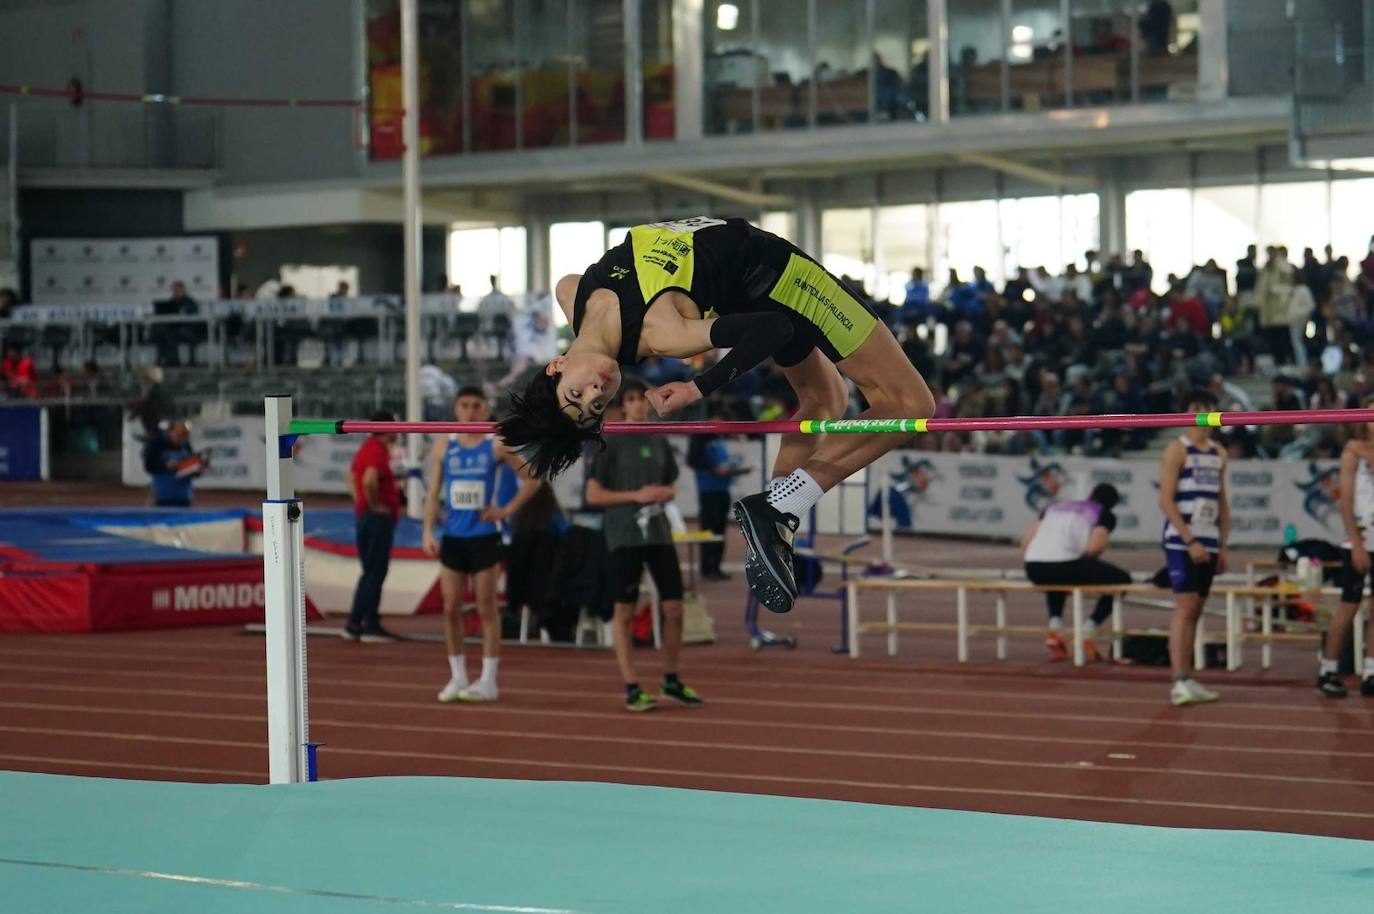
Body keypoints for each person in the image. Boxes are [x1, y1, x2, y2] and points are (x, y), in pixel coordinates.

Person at [497, 216, 936, 614]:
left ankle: (776, 523)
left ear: (555, 364)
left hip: (746, 283)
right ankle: (782, 506)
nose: (598, 390)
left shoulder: (570, 293)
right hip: (781, 277)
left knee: (824, 401)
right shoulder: (660, 333)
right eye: (596, 406)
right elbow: (772, 329)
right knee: (911, 404)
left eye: (578, 391)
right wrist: (696, 386)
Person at [584, 378, 702, 711]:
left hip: (658, 533)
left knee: (674, 606)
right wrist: (635, 496)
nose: (637, 405)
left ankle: (671, 678)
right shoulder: (608, 442)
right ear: (622, 405)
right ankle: (632, 685)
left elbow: (671, 486)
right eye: (631, 399)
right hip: (624, 535)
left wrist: (664, 493)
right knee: (625, 610)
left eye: (641, 399)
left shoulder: (659, 441)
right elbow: (593, 495)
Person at [423, 387, 538, 703]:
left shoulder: (497, 444)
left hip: (485, 537)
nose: (470, 412)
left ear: (486, 410)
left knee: (487, 609)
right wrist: (427, 532)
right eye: (464, 406)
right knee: (450, 609)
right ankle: (458, 676)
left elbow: (534, 478)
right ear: (456, 408)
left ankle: (488, 680)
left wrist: (505, 511)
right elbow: (433, 492)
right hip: (453, 537)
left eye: (476, 406)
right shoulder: (443, 445)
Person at [1160, 390, 1230, 706]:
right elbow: (1165, 500)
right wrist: (1189, 540)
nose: (1201, 415)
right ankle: (1178, 680)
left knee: (1197, 610)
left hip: (1209, 539)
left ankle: (1188, 677)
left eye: (1206, 409)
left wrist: (1222, 545)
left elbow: (1222, 502)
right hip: (1181, 540)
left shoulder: (1219, 453)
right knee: (1186, 606)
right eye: (1195, 408)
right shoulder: (1178, 449)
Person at [1021, 484, 1131, 662]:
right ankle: (1088, 630)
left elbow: (1026, 541)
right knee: (1122, 580)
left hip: (1033, 566)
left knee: (1056, 576)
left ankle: (1055, 628)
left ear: (1089, 494)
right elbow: (1095, 547)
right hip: (1065, 565)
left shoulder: (1055, 506)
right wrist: (1085, 564)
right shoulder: (1103, 514)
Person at [1317, 396, 1374, 698]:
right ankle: (1328, 668)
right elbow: (1347, 500)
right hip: (1360, 539)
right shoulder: (1354, 451)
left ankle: (1371, 670)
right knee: (1349, 606)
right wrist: (1356, 543)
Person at [345, 411, 403, 643]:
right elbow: (368, 480)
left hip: (367, 516)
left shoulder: (368, 448)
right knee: (375, 572)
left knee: (371, 571)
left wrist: (359, 500)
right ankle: (365, 622)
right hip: (375, 519)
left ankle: (358, 621)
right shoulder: (376, 451)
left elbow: (350, 476)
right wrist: (374, 504)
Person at [688, 401, 752, 580]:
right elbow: (693, 460)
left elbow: (722, 464)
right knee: (709, 529)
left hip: (722, 489)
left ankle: (715, 566)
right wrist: (713, 469)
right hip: (708, 490)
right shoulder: (700, 435)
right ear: (716, 419)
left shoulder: (719, 438)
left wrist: (735, 470)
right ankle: (707, 567)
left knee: (720, 530)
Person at [141, 420, 206, 507]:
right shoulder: (157, 443)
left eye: (185, 436)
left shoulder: (186, 445)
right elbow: (149, 466)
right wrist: (166, 465)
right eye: (180, 435)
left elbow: (193, 472)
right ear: (172, 432)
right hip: (162, 496)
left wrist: (198, 468)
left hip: (183, 496)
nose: (182, 439)